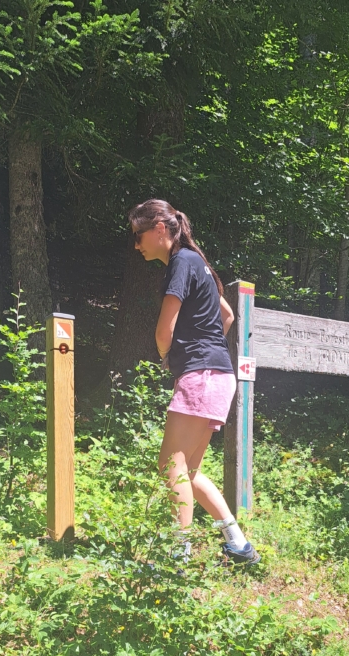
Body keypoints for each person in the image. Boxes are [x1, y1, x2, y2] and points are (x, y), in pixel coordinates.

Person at [129, 198, 260, 565]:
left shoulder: (180, 263)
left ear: (159, 228)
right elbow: (228, 314)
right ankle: (238, 545)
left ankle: (176, 557)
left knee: (170, 466)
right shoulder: (197, 262)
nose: (136, 245)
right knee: (189, 470)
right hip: (220, 374)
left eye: (138, 236)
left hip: (201, 375)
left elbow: (163, 330)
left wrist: (169, 356)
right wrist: (207, 346)